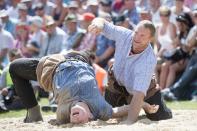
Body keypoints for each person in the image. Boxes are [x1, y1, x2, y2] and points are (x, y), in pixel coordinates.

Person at [9, 50, 159, 124]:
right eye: (80, 121)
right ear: (91, 116)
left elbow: (59, 121)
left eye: (74, 122)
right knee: (86, 54)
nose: (75, 119)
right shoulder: (100, 109)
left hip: (54, 66)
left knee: (14, 67)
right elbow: (123, 110)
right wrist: (144, 105)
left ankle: (34, 113)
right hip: (82, 61)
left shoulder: (62, 114)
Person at [88, 18, 172, 124]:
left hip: (142, 90)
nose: (137, 38)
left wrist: (129, 122)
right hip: (117, 85)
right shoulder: (124, 34)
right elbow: (102, 22)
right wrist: (97, 25)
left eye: (142, 36)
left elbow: (139, 94)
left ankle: (141, 106)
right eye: (136, 33)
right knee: (104, 114)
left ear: (150, 39)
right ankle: (136, 106)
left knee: (160, 116)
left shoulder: (148, 60)